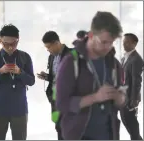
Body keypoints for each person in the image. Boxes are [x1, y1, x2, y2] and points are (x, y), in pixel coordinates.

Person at [56, 11, 126, 140]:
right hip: (79, 136)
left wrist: (118, 97)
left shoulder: (113, 63)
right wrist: (95, 97)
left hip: (109, 135)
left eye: (112, 42)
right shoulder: (71, 62)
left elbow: (122, 99)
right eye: (104, 42)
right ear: (91, 35)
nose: (108, 47)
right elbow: (62, 104)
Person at [0, 24, 35, 140]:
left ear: (18, 40)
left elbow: (31, 81)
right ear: (0, 41)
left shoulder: (25, 57)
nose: (10, 47)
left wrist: (20, 72)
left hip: (19, 109)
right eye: (6, 44)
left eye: (14, 43)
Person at [37, 31, 72, 140]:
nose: (48, 50)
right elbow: (55, 77)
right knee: (59, 128)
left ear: (56, 43)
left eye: (49, 47)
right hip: (55, 99)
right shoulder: (51, 57)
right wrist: (47, 77)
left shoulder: (72, 55)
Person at [120, 33, 143, 140]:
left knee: (131, 124)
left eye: (127, 42)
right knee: (126, 122)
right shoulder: (125, 57)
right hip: (123, 97)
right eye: (124, 42)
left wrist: (133, 102)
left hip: (130, 99)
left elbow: (136, 81)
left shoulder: (137, 59)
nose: (125, 44)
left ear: (134, 44)